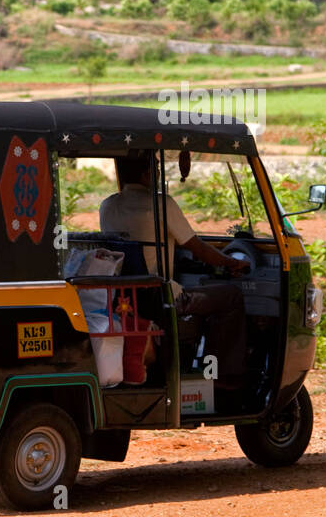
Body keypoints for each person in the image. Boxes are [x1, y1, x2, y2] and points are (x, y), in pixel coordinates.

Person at [100, 155, 248, 387]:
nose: (159, 174)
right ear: (145, 174)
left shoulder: (107, 205)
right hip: (160, 298)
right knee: (231, 296)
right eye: (156, 169)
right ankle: (222, 378)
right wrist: (231, 263)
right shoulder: (161, 205)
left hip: (123, 296)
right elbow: (197, 247)